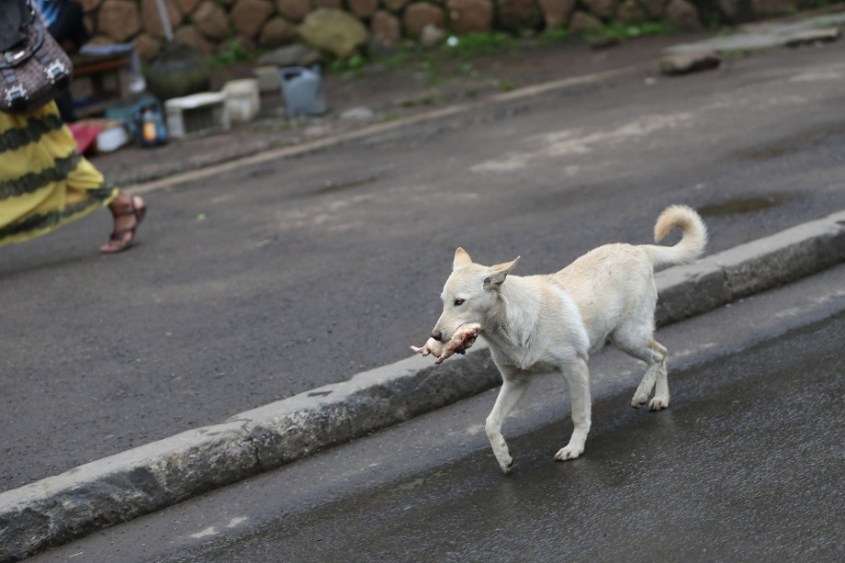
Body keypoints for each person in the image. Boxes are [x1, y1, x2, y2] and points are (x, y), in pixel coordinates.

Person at [0, 101, 147, 253]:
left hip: (12, 91)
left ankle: (121, 202)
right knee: (18, 160)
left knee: (49, 154)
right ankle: (120, 202)